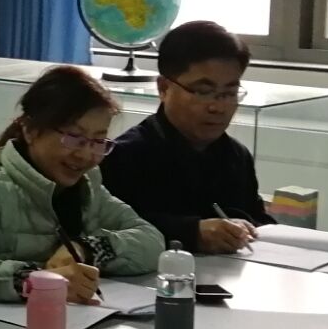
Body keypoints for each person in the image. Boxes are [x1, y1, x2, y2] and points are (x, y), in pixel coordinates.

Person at [0, 66, 163, 304]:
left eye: (98, 141)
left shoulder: (88, 185)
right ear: (30, 130)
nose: (85, 155)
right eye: (74, 137)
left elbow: (151, 241)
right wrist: (37, 281)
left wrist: (88, 248)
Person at [101, 20, 275, 255]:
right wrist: (191, 232)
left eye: (229, 93)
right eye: (203, 92)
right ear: (164, 88)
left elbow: (258, 219)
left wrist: (247, 225)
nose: (217, 107)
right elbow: (109, 228)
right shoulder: (124, 156)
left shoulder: (236, 156)